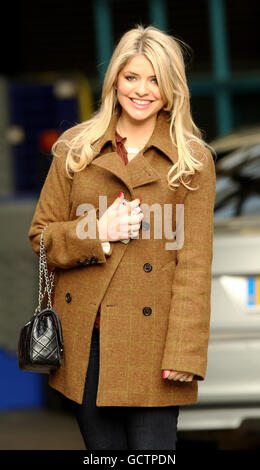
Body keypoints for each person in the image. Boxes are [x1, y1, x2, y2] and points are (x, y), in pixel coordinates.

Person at [28, 24, 216, 450]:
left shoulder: (191, 162)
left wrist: (185, 353)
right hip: (86, 339)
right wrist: (97, 232)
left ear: (172, 90)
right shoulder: (75, 149)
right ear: (115, 79)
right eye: (132, 77)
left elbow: (194, 264)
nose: (143, 90)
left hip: (154, 344)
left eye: (156, 80)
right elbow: (41, 238)